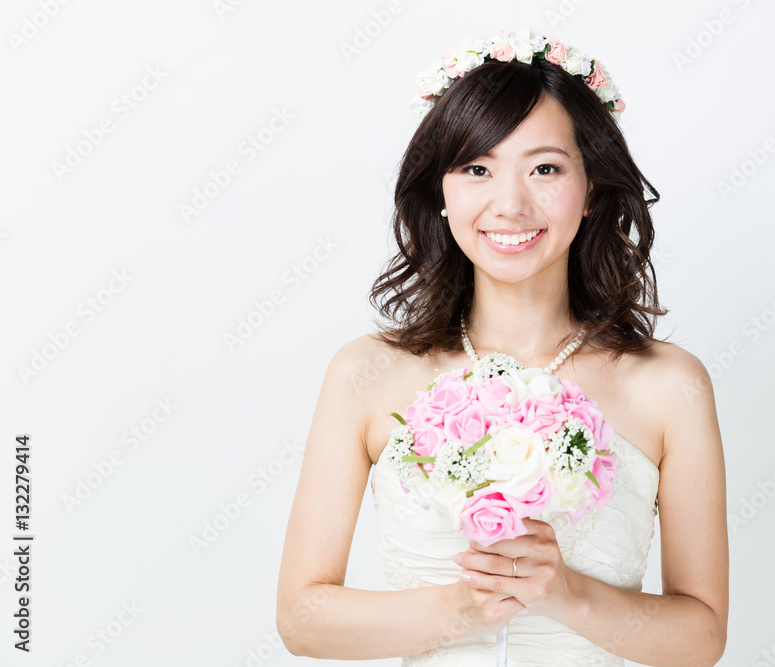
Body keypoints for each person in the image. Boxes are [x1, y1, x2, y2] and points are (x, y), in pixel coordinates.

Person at [276, 28, 728, 666]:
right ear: (441, 190)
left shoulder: (668, 385)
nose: (510, 204)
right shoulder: (366, 373)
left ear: (592, 185)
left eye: (545, 168)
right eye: (477, 169)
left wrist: (567, 594)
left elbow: (701, 638)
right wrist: (464, 606)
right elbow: (301, 618)